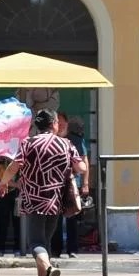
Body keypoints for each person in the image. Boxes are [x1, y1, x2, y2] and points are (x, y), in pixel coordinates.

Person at [0, 109, 84, 276]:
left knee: (36, 243)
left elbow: (13, 167)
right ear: (53, 124)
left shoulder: (28, 143)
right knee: (45, 242)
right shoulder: (66, 144)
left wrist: (3, 183)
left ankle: (50, 269)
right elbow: (81, 168)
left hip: (33, 200)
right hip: (55, 200)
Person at [52, 109, 90, 258]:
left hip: (73, 183)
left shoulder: (76, 139)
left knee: (72, 216)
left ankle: (72, 249)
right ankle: (55, 249)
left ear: (67, 123)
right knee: (55, 218)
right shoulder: (51, 140)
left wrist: (85, 183)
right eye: (58, 123)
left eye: (63, 123)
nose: (60, 126)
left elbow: (84, 160)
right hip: (54, 184)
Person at [0, 156, 23, 257]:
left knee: (17, 222)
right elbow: (3, 179)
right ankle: (0, 249)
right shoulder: (1, 163)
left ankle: (17, 249)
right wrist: (17, 185)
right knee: (3, 222)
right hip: (3, 195)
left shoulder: (20, 162)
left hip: (17, 195)